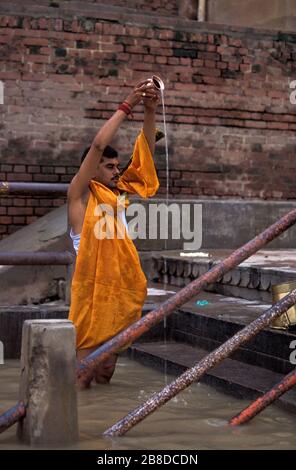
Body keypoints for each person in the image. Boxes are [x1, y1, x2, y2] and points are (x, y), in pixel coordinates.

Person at [67, 78, 160, 388]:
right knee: (82, 377)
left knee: (106, 373)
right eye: (109, 166)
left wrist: (150, 111)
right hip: (92, 301)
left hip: (120, 296)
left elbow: (145, 152)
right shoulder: (80, 196)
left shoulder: (118, 195)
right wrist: (127, 105)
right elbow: (96, 145)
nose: (116, 171)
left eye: (117, 165)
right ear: (92, 169)